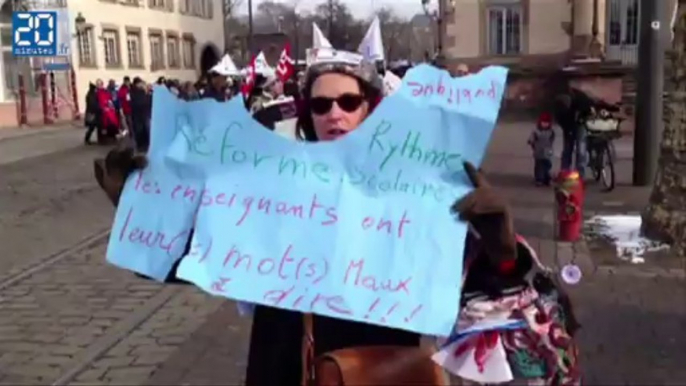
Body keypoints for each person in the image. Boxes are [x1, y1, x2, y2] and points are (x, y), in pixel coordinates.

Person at [92, 56, 575, 386]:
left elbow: (517, 334)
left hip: (378, 375)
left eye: (349, 102)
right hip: (280, 372)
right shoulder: (271, 191)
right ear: (307, 116)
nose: (334, 114)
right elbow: (197, 256)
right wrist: (139, 212)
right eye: (321, 105)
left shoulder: (419, 196)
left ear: (372, 110)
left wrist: (503, 251)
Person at [553, 81, 594, 178]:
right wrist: (567, 129)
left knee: (581, 149)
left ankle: (580, 174)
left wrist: (582, 116)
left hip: (580, 123)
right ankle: (564, 172)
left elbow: (588, 108)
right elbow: (559, 119)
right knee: (567, 149)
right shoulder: (559, 106)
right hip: (568, 125)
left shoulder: (580, 97)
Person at [528, 112, 555, 186]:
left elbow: (552, 139)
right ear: (540, 122)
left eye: (547, 123)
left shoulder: (551, 132)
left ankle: (546, 178)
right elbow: (532, 138)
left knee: (547, 165)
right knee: (539, 166)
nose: (545, 124)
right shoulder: (536, 131)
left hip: (547, 151)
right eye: (543, 122)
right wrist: (531, 141)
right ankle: (539, 179)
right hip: (538, 151)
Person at [130, 77, 151, 151]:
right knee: (140, 131)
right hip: (140, 116)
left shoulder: (141, 92)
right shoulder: (137, 93)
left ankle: (143, 146)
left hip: (142, 115)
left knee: (143, 131)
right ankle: (142, 147)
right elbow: (141, 103)